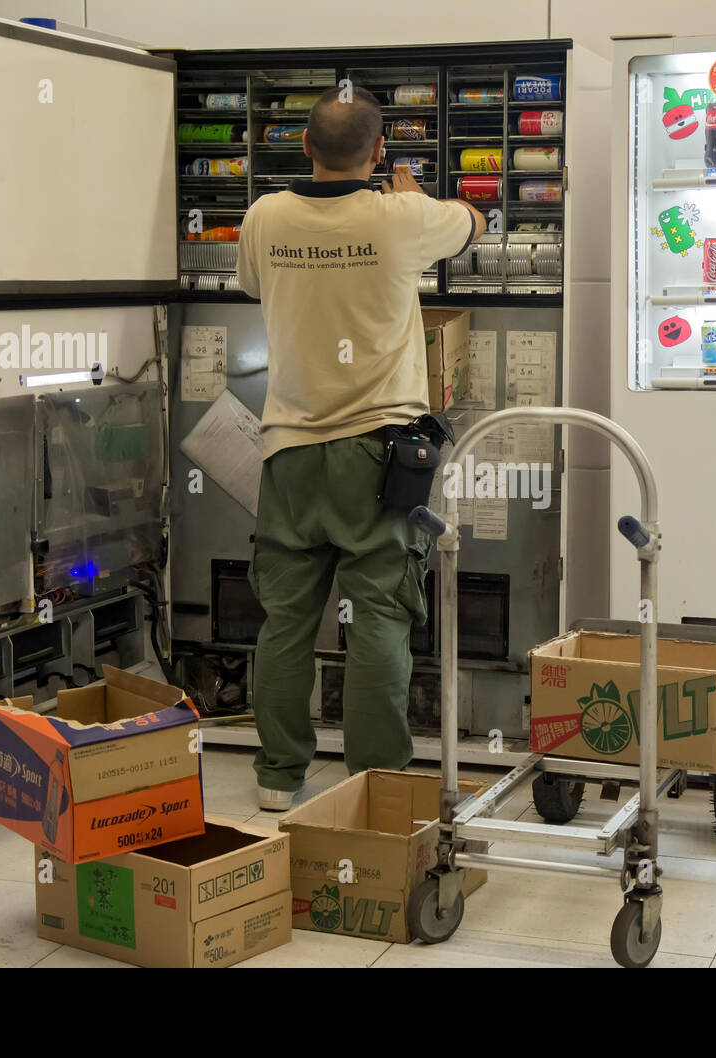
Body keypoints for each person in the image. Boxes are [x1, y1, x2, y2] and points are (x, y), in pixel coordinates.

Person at [236, 85, 483, 811]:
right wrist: (417, 198)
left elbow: (254, 284)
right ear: (379, 152)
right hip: (380, 455)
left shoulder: (264, 216)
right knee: (379, 613)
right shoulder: (400, 216)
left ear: (305, 147)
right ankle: (374, 779)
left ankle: (278, 776)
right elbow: (476, 220)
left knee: (286, 619)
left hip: (288, 448)